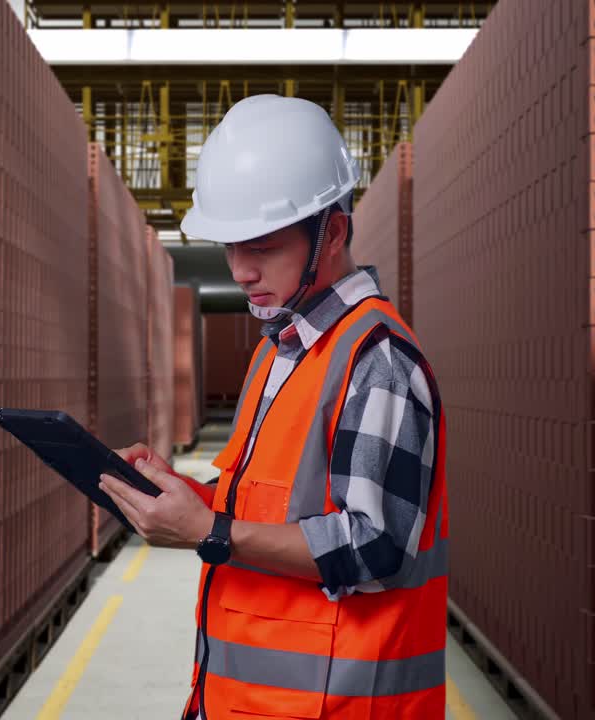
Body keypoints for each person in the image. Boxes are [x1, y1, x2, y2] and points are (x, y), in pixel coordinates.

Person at [99, 94, 449, 720]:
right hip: (244, 702)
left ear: (332, 232)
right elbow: (268, 507)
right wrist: (179, 494)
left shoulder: (378, 361)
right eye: (231, 247)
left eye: (260, 247)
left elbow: (376, 549)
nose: (239, 270)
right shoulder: (281, 351)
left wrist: (209, 532)